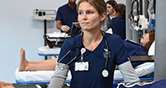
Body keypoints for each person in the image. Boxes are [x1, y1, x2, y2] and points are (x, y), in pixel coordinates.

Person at [18, 29, 156, 72]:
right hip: (98, 54)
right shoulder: (138, 47)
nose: (143, 36)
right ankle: (29, 64)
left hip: (100, 60)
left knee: (65, 62)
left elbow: (123, 63)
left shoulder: (141, 54)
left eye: (146, 35)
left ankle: (29, 66)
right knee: (63, 58)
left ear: (150, 41)